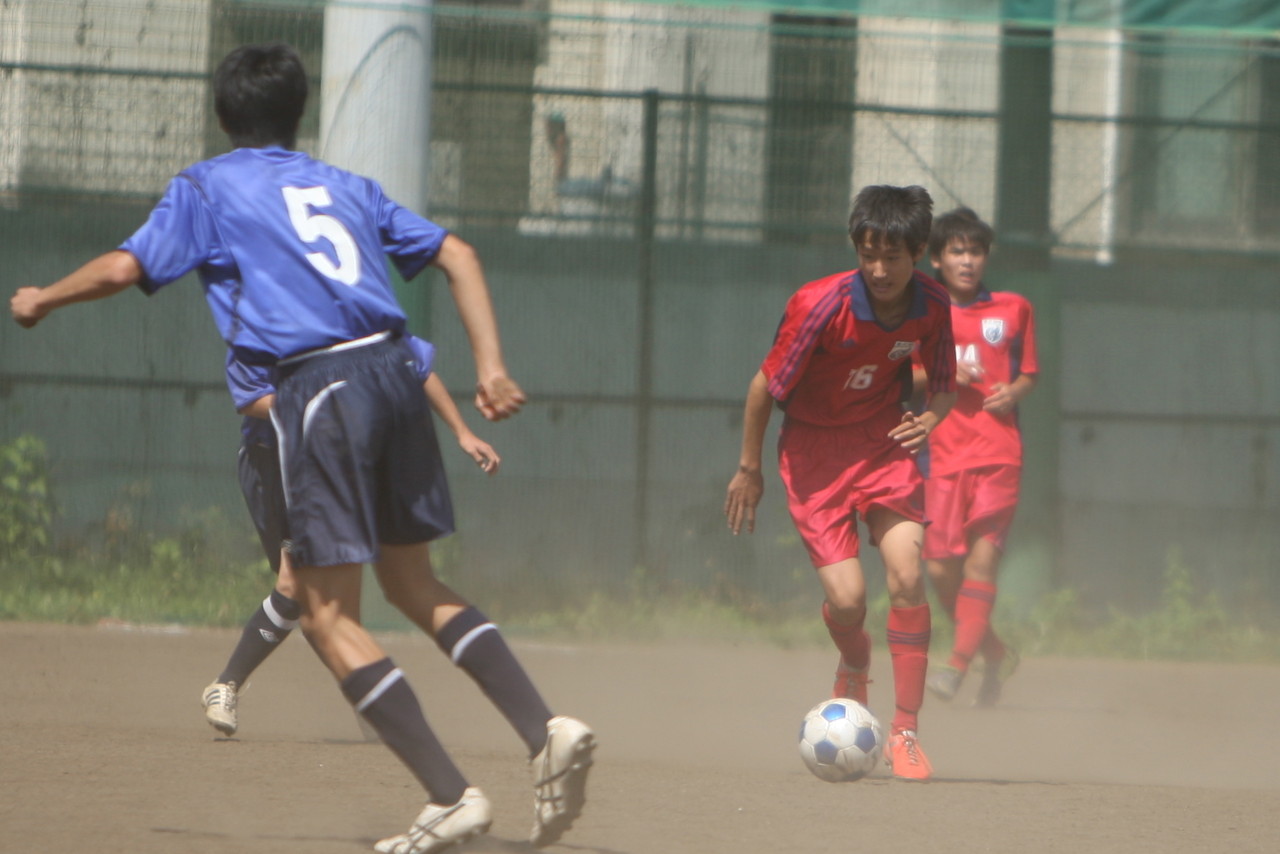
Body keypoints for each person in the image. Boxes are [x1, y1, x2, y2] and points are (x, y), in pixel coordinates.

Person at [11, 42, 594, 853]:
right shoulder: (345, 185)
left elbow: (124, 267)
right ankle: (546, 729)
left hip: (321, 388)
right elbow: (457, 254)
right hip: (398, 368)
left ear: (223, 117)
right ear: (298, 113)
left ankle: (450, 793)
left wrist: (44, 296)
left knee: (322, 614)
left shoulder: (209, 185)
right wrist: (490, 369)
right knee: (413, 581)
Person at [724, 184, 956, 782]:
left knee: (907, 572)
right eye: (868, 254)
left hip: (882, 441)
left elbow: (945, 386)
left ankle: (904, 731)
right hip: (813, 454)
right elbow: (762, 388)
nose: (879, 270)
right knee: (850, 600)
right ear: (856, 247)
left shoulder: (933, 303)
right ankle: (855, 663)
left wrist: (928, 419)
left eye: (894, 257)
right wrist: (749, 470)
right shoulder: (820, 305)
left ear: (920, 252)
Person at [202, 335, 500, 739]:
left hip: (330, 460)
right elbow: (251, 398)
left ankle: (366, 695)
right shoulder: (262, 323)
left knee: (317, 597)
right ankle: (227, 685)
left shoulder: (353, 314)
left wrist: (463, 433)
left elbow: (418, 369)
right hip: (273, 459)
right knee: (297, 586)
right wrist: (324, 407)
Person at [918, 207, 1037, 707]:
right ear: (937, 259)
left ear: (985, 257)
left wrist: (1014, 392)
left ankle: (955, 666)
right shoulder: (922, 311)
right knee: (942, 572)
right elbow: (910, 376)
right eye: (956, 251)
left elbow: (1029, 374)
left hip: (998, 455)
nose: (967, 261)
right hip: (943, 455)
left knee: (982, 564)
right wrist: (943, 376)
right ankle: (996, 651)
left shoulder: (1014, 308)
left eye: (975, 251)